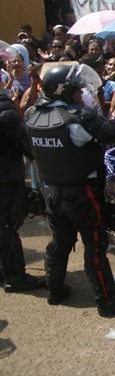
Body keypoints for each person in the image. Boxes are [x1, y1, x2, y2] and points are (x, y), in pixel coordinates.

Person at [24, 64, 115, 316]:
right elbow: (110, 133)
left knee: (60, 242)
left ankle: (54, 289)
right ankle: (107, 301)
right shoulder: (78, 116)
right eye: (76, 89)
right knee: (95, 246)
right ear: (65, 91)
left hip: (51, 192)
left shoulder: (32, 113)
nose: (80, 93)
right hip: (82, 193)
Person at [0, 86, 45, 292]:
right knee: (7, 225)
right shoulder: (5, 110)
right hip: (6, 178)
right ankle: (15, 276)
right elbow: (25, 143)